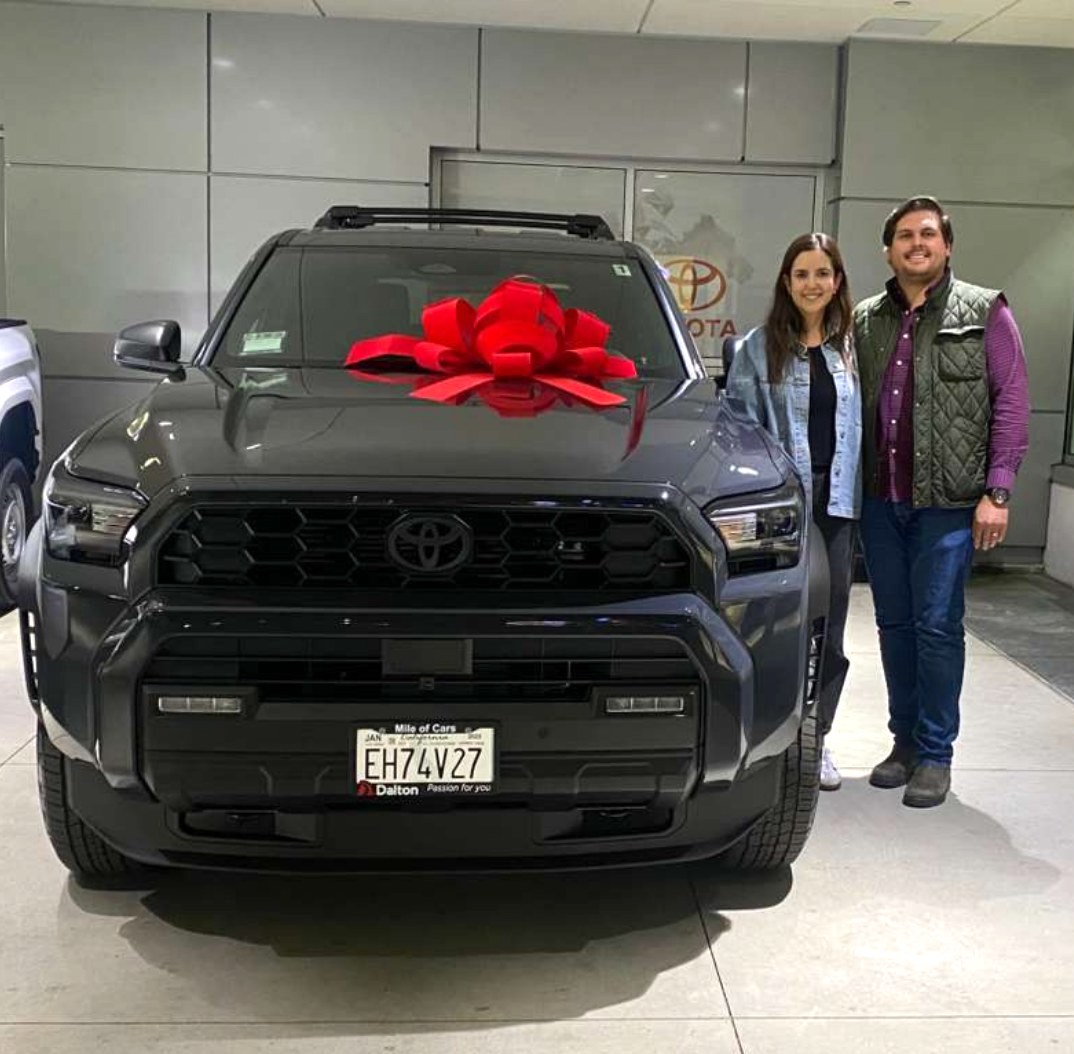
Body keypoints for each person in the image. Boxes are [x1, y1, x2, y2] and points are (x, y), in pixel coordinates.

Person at [854, 196, 1030, 808]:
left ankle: (935, 753)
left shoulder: (985, 311)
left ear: (947, 245)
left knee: (936, 627)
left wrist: (998, 491)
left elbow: (1011, 403)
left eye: (927, 234)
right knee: (893, 626)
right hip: (881, 501)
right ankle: (902, 743)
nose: (916, 243)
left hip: (950, 505)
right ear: (889, 249)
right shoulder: (867, 318)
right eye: (904, 235)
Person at [726, 232, 862, 791]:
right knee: (776, 627)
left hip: (838, 507)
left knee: (828, 632)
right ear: (787, 282)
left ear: (837, 282)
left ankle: (817, 740)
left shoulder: (852, 348)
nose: (813, 284)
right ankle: (764, 741)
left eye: (823, 273)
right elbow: (735, 430)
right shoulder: (758, 349)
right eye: (802, 274)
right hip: (781, 509)